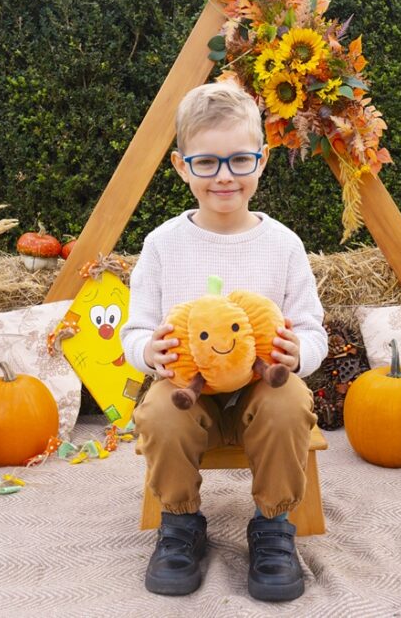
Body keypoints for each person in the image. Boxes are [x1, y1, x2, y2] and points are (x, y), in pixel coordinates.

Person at [121, 82, 328, 602]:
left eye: (239, 160)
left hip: (262, 387)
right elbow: (135, 330)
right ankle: (181, 524)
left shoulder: (282, 245)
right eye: (207, 163)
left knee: (289, 401)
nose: (224, 176)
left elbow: (312, 329)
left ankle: (273, 526)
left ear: (262, 160)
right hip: (189, 391)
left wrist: (300, 353)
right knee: (158, 411)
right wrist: (148, 350)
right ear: (181, 166)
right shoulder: (163, 245)